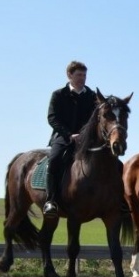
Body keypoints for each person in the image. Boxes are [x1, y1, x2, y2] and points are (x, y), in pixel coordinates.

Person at [43, 60, 96, 218]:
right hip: (64, 137)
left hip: (87, 140)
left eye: (84, 75)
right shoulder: (58, 95)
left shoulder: (92, 96)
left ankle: (117, 201)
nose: (82, 78)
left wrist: (86, 135)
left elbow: (95, 120)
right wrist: (69, 135)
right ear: (69, 75)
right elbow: (52, 118)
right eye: (79, 75)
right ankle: (51, 201)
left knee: (114, 163)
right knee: (54, 161)